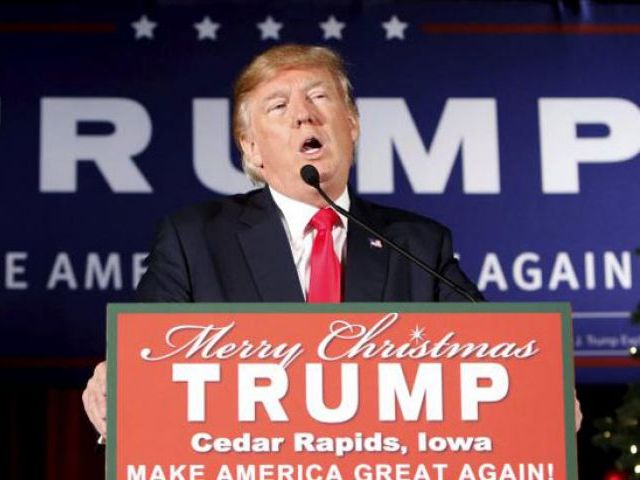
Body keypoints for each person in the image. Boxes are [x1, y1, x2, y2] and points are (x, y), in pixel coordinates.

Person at [82, 44, 579, 438]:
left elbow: (491, 348)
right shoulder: (195, 238)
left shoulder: (418, 243)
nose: (304, 116)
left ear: (353, 124)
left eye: (320, 98)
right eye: (279, 106)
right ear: (251, 148)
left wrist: (538, 387)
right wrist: (117, 371)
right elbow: (146, 355)